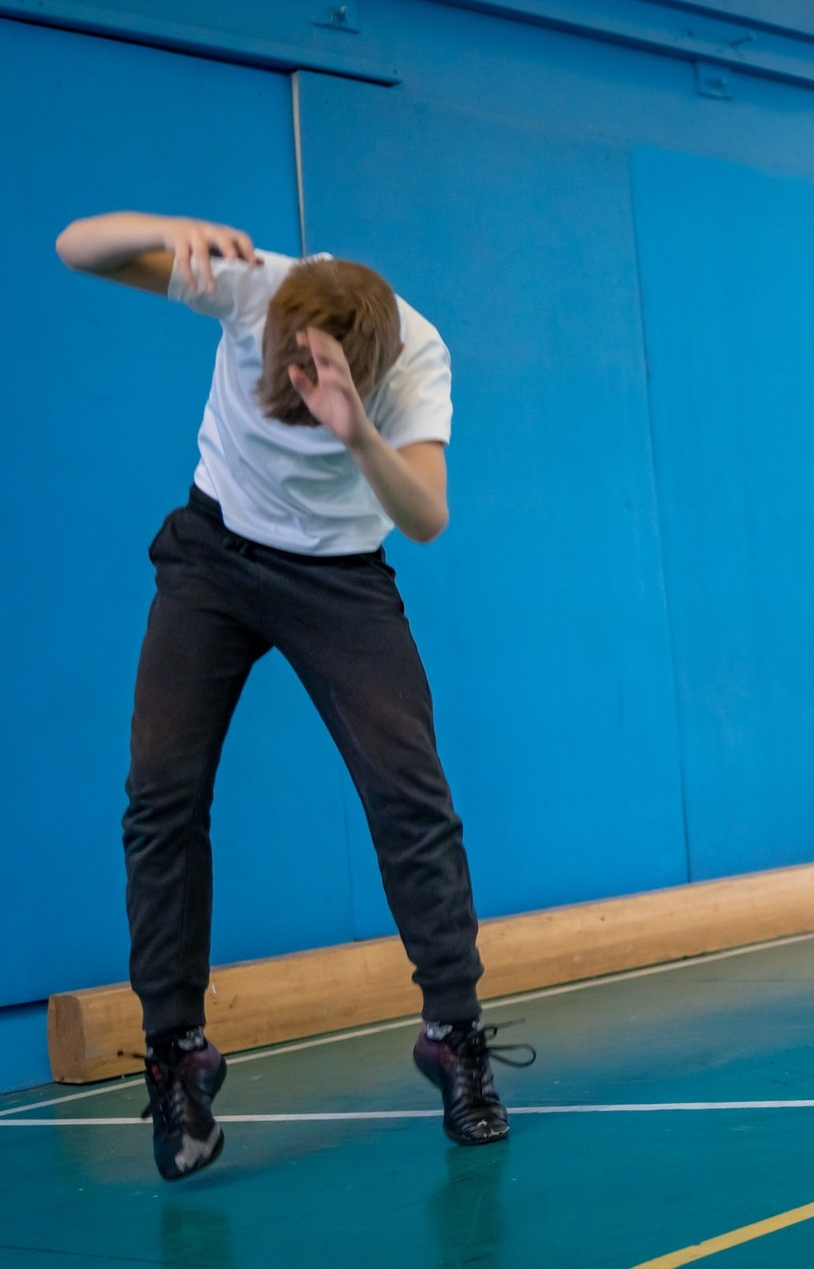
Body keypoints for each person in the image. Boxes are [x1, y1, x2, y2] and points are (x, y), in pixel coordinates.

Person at [54, 212, 524, 1180]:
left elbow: (427, 518)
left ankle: (453, 1034)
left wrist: (356, 430)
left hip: (342, 581)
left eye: (313, 386)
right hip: (213, 560)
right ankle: (178, 1053)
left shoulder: (416, 357)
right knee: (162, 794)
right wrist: (163, 225)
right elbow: (75, 246)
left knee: (411, 799)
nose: (290, 396)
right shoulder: (253, 285)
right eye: (285, 374)